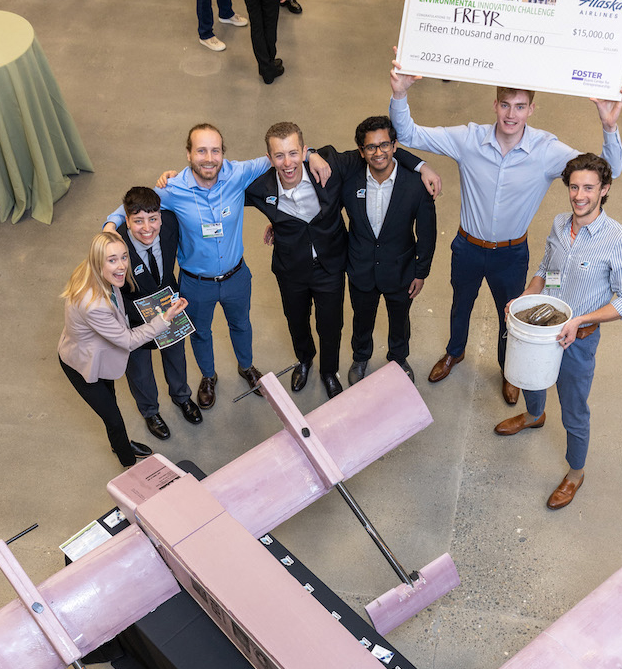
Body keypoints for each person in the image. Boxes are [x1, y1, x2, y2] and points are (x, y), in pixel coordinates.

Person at [389, 64, 622, 407]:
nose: (510, 114)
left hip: (511, 254)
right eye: (504, 104)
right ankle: (455, 353)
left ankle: (508, 370)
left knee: (511, 315)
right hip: (467, 247)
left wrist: (609, 126)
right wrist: (400, 92)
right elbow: (408, 134)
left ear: (531, 109)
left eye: (519, 106)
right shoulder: (468, 139)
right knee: (460, 305)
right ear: (495, 104)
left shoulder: (547, 151)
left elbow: (609, 171)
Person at [107, 125, 331, 409]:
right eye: (201, 150)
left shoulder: (237, 173)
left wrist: (311, 154)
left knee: (241, 325)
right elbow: (130, 207)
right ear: (188, 154)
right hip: (195, 282)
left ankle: (246, 367)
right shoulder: (172, 189)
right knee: (201, 333)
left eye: (215, 151)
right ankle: (208, 376)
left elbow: (282, 156)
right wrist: (110, 226)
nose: (209, 158)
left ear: (223, 154)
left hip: (237, 276)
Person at [245, 121, 440, 398]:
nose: (287, 163)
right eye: (279, 155)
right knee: (296, 320)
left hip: (331, 265)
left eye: (294, 153)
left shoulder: (330, 166)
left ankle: (329, 371)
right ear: (269, 158)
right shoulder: (259, 187)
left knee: (331, 324)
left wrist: (421, 165)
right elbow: (218, 186)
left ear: (303, 151)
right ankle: (304, 359)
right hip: (291, 268)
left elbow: (381, 151)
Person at [494, 154, 622, 510]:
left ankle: (575, 473)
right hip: (543, 325)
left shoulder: (619, 241)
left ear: (604, 190)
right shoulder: (561, 224)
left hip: (579, 339)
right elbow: (547, 269)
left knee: (574, 409)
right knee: (530, 378)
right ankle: (533, 416)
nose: (579, 195)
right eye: (574, 186)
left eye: (589, 187)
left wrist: (580, 320)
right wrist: (527, 296)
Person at [58, 233, 189, 467]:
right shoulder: (94, 305)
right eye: (112, 260)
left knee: (112, 404)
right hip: (84, 364)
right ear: (98, 262)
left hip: (99, 354)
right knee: (114, 419)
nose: (121, 266)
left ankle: (117, 444)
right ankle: (128, 462)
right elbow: (128, 341)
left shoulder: (94, 273)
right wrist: (165, 317)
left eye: (124, 257)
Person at [341, 115, 437, 386]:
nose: (379, 152)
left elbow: (427, 233)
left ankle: (398, 358)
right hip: (360, 268)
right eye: (371, 147)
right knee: (362, 319)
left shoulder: (417, 185)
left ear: (395, 146)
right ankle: (360, 358)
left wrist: (421, 272)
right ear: (362, 151)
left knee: (399, 319)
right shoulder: (349, 181)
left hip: (401, 269)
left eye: (385, 145)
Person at [115, 187, 202, 441]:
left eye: (152, 219)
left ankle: (182, 397)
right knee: (140, 370)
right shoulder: (115, 244)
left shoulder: (171, 224)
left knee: (176, 356)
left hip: (169, 305)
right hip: (133, 316)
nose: (147, 228)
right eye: (138, 221)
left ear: (161, 217)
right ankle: (150, 411)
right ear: (127, 220)